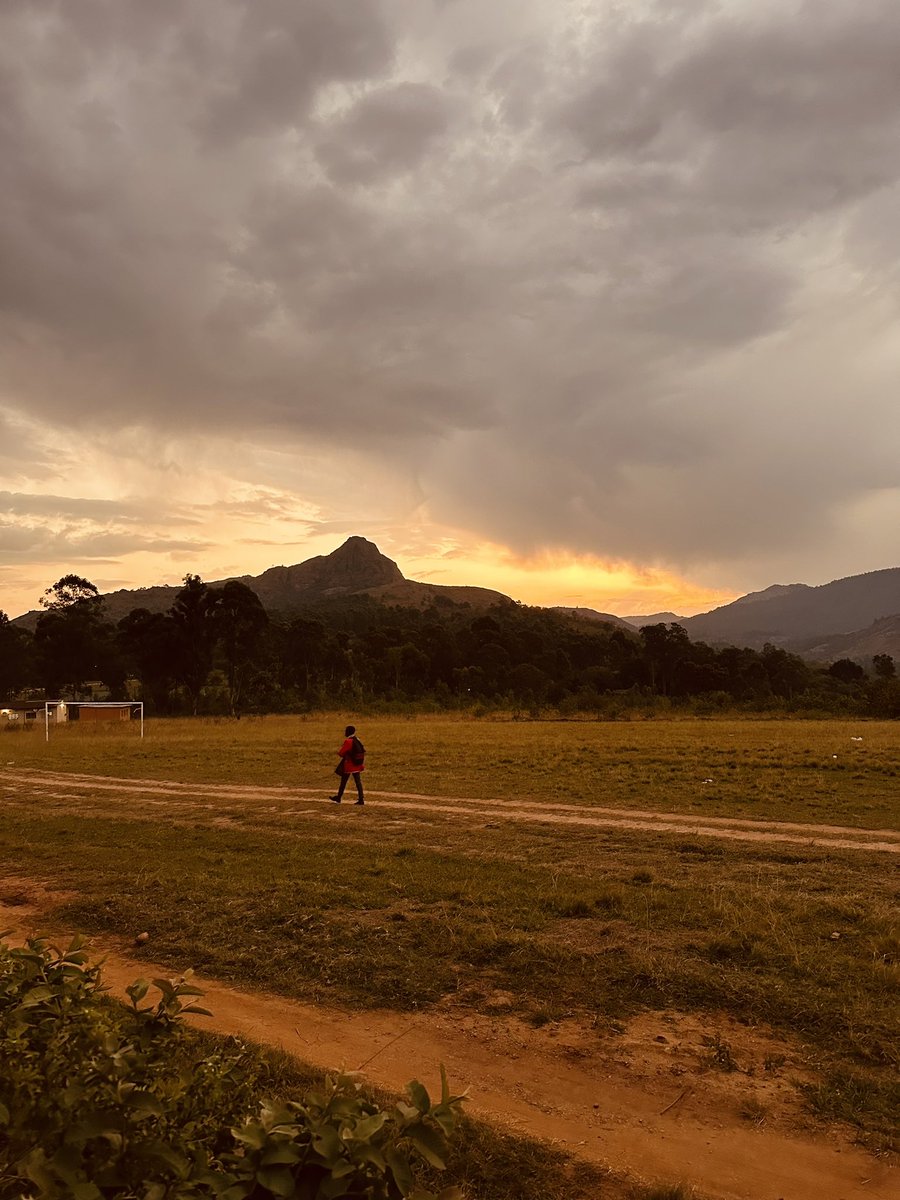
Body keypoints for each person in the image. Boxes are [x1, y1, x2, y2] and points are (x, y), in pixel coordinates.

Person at [330, 724, 365, 805]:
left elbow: (341, 753)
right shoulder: (357, 739)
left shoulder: (348, 741)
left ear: (348, 732)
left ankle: (339, 797)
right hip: (357, 764)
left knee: (343, 782)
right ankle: (361, 799)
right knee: (358, 782)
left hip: (349, 765)